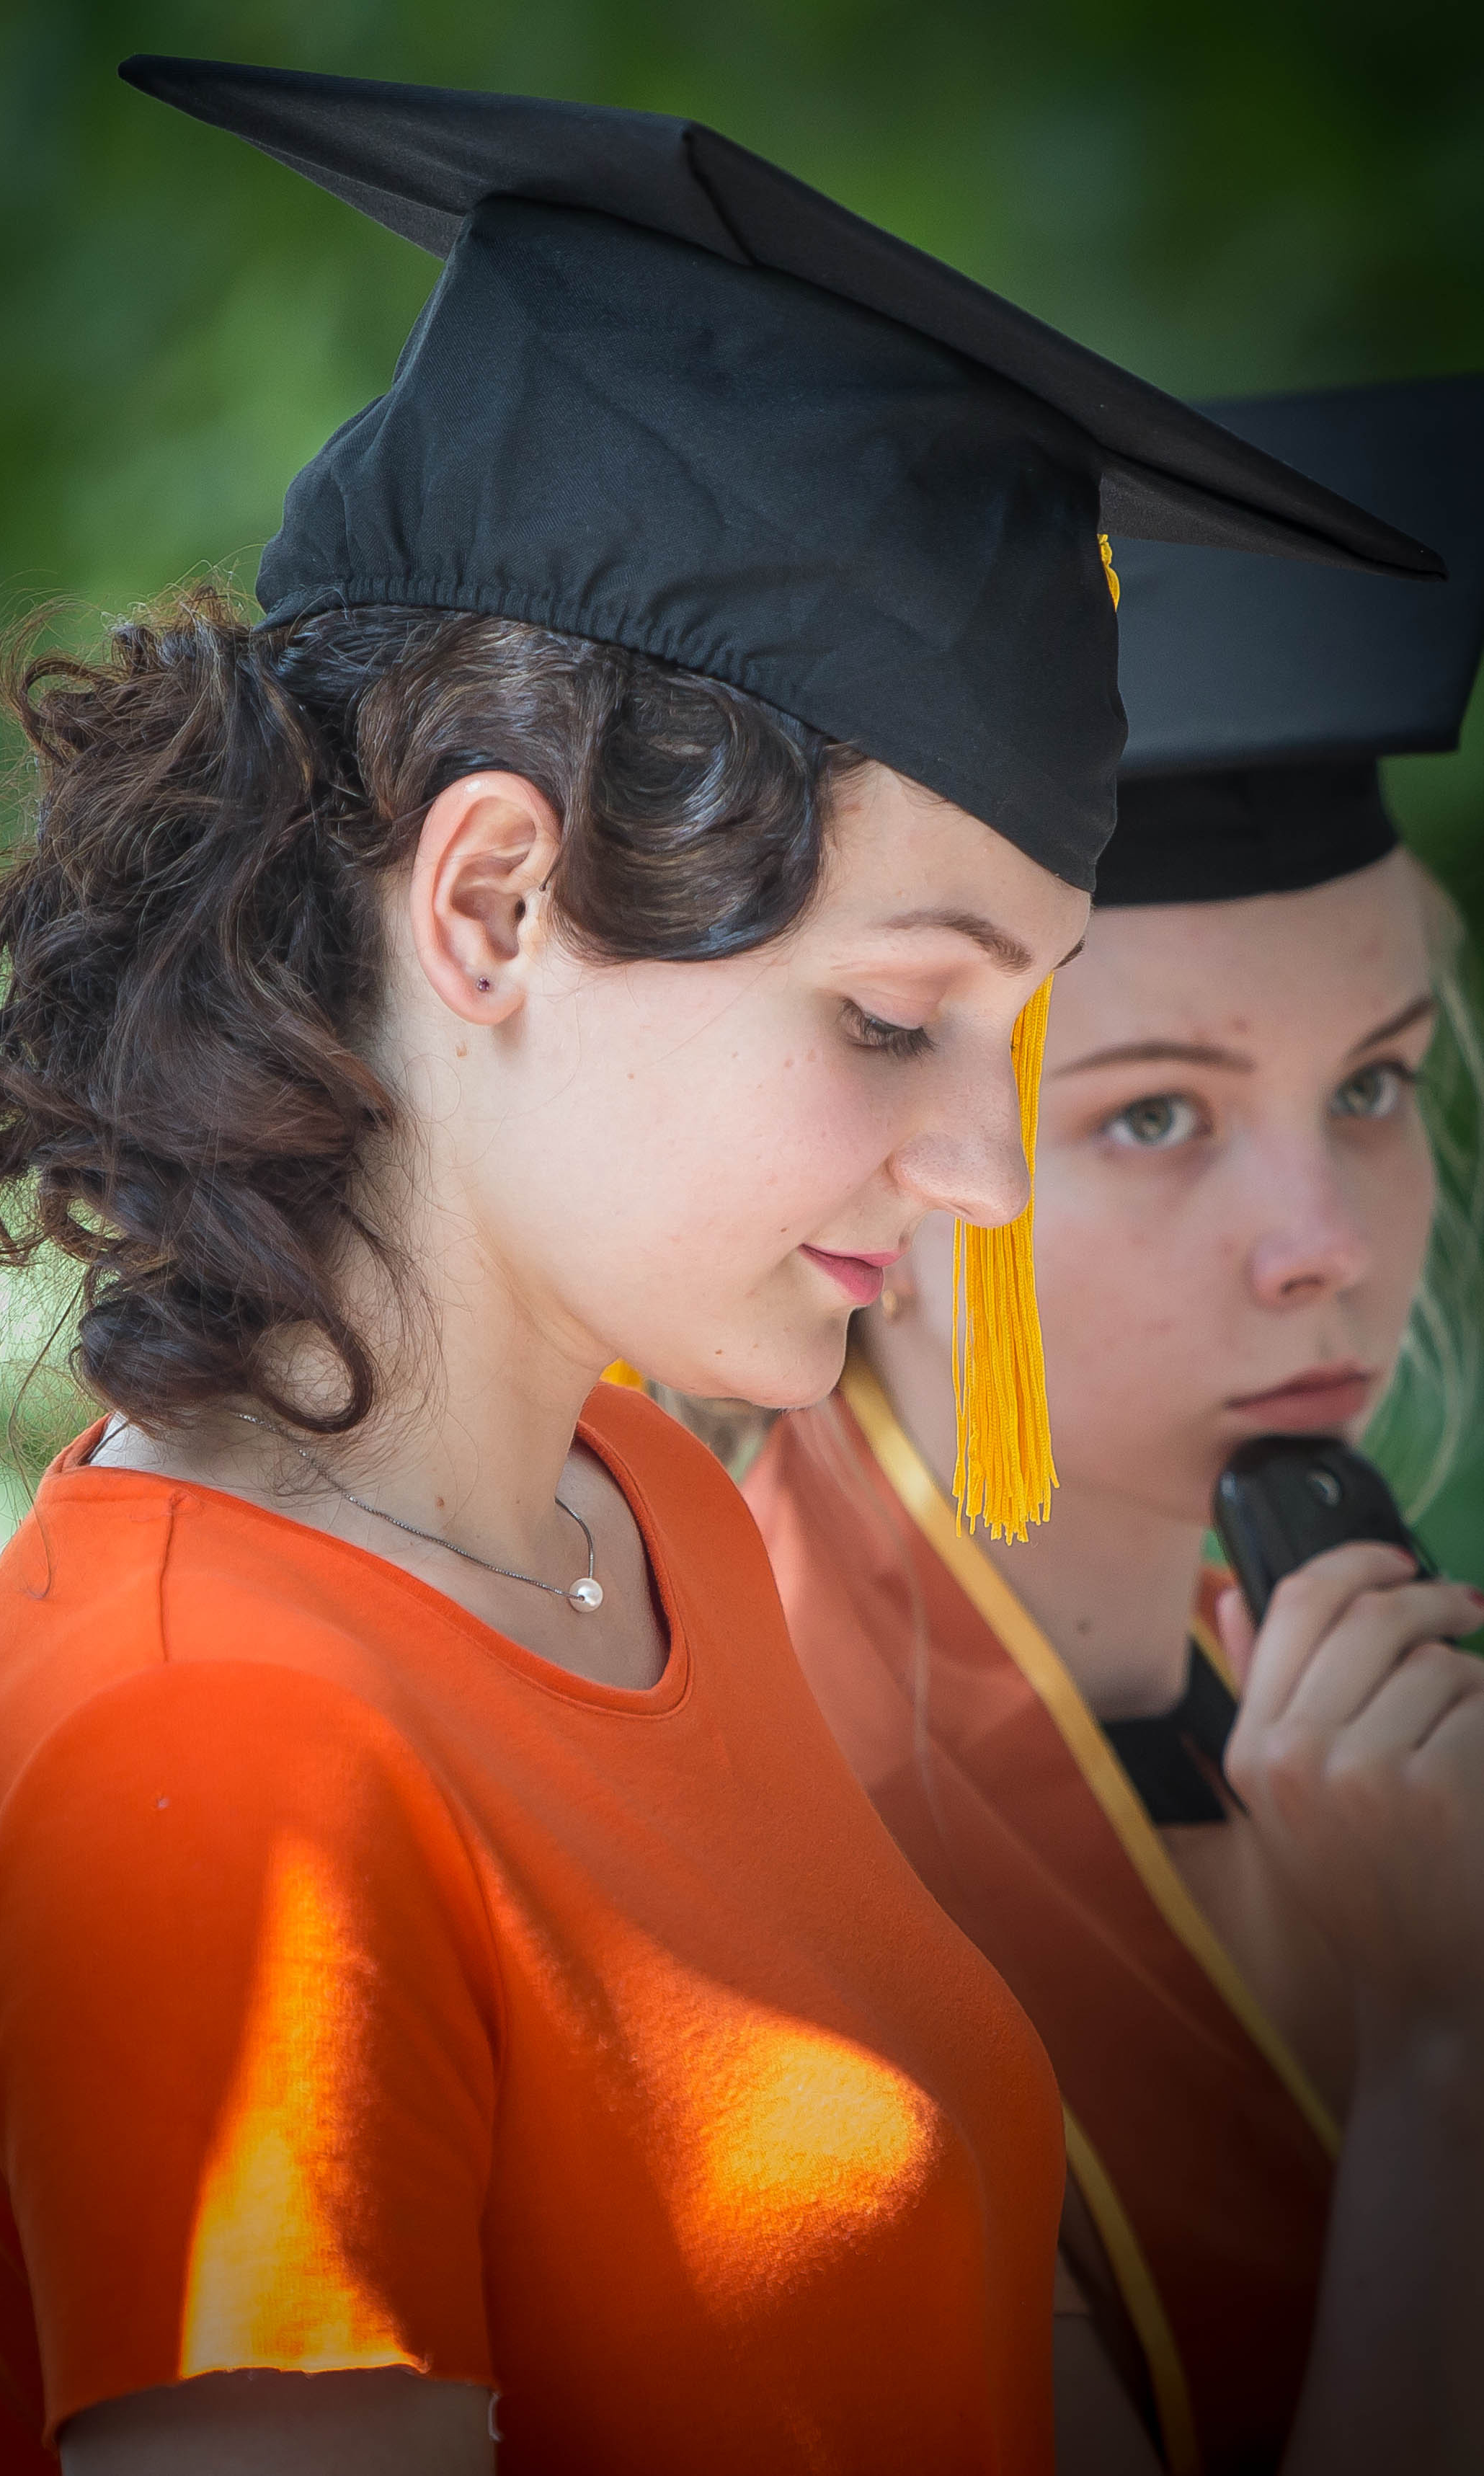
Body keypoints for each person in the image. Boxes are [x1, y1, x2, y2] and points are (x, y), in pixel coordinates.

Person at [0, 53, 1443, 2476]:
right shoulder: (217, 1762)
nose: (978, 1179)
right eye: (899, 1020)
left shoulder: (633, 1511)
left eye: (1016, 1049)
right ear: (492, 897)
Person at [743, 374, 1484, 2475]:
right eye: (1151, 1113)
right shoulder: (770, 1839)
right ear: (904, 1153)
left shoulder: (1367, 1655)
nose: (1325, 1243)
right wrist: (1445, 2052)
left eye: (1371, 1082)